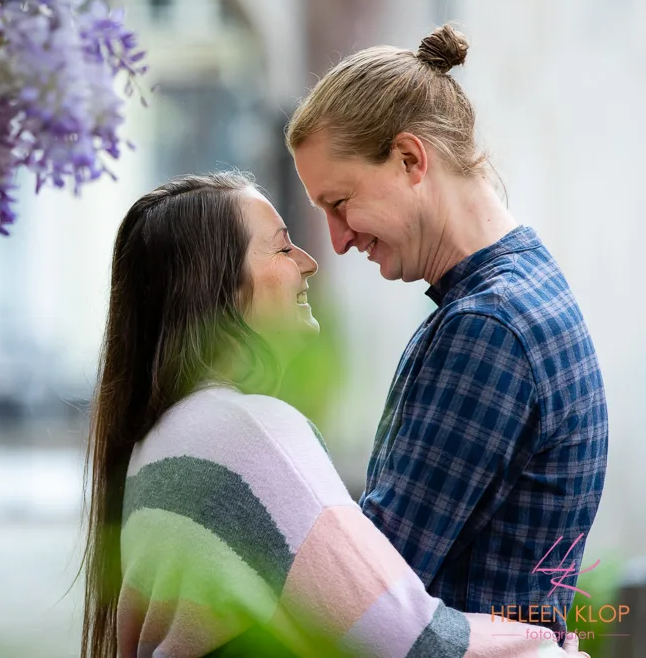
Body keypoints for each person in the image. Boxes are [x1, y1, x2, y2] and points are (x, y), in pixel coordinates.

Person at [79, 171, 587, 657]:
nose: (309, 260)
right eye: (281, 246)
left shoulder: (164, 435)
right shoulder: (249, 432)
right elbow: (406, 638)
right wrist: (545, 647)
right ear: (217, 287)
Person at [285, 23, 608, 639]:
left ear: (410, 159)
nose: (338, 239)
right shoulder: (524, 287)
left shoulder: (488, 327)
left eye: (340, 202)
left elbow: (372, 589)